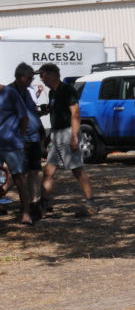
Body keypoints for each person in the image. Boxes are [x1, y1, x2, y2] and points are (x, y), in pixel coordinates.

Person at [38, 62, 97, 216]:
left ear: (52, 74)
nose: (41, 79)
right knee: (48, 170)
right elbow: (55, 110)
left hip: (68, 133)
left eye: (43, 75)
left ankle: (91, 203)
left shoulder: (66, 90)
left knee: (77, 170)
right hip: (57, 135)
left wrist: (74, 137)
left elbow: (75, 113)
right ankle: (44, 204)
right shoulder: (52, 93)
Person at [11, 63, 45, 219]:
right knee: (20, 174)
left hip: (34, 137)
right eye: (29, 78)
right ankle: (24, 207)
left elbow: (31, 113)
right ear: (20, 76)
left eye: (32, 78)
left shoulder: (27, 92)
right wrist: (21, 136)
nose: (31, 81)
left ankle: (34, 203)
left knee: (34, 171)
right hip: (20, 139)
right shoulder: (10, 92)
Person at [0, 76, 31, 226]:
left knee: (19, 178)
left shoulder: (10, 93)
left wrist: (21, 136)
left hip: (12, 143)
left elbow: (23, 116)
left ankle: (26, 213)